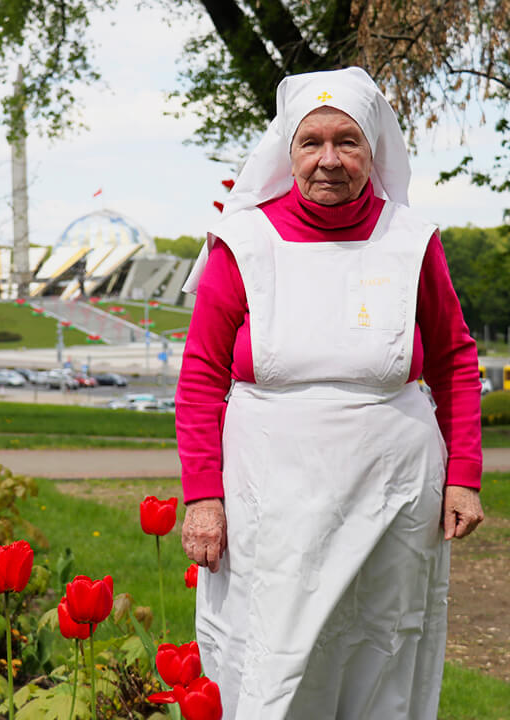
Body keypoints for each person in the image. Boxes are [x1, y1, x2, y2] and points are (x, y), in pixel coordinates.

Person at [175, 67, 484, 719]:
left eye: (348, 142)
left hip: (392, 491)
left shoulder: (411, 242)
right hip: (269, 491)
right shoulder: (244, 243)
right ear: (288, 153)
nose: (329, 160)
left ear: (373, 151)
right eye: (311, 142)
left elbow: (454, 360)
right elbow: (201, 376)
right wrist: (203, 495)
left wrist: (464, 475)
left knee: (380, 645)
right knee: (273, 647)